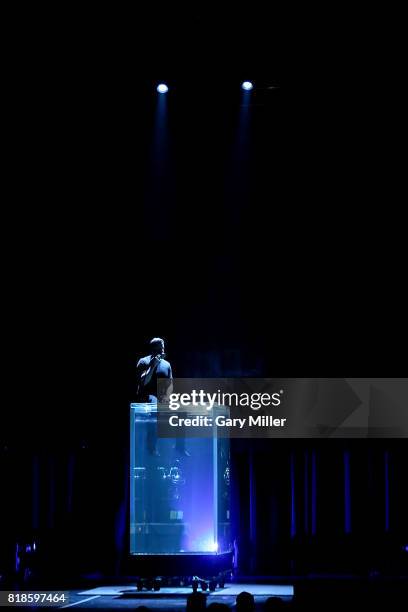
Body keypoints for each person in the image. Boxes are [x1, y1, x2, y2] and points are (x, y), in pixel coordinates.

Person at [136, 337, 173, 403]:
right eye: (159, 348)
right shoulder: (143, 362)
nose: (162, 350)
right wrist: (153, 366)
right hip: (145, 403)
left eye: (162, 348)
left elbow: (170, 384)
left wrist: (167, 396)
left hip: (161, 403)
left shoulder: (167, 364)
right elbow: (143, 383)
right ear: (153, 349)